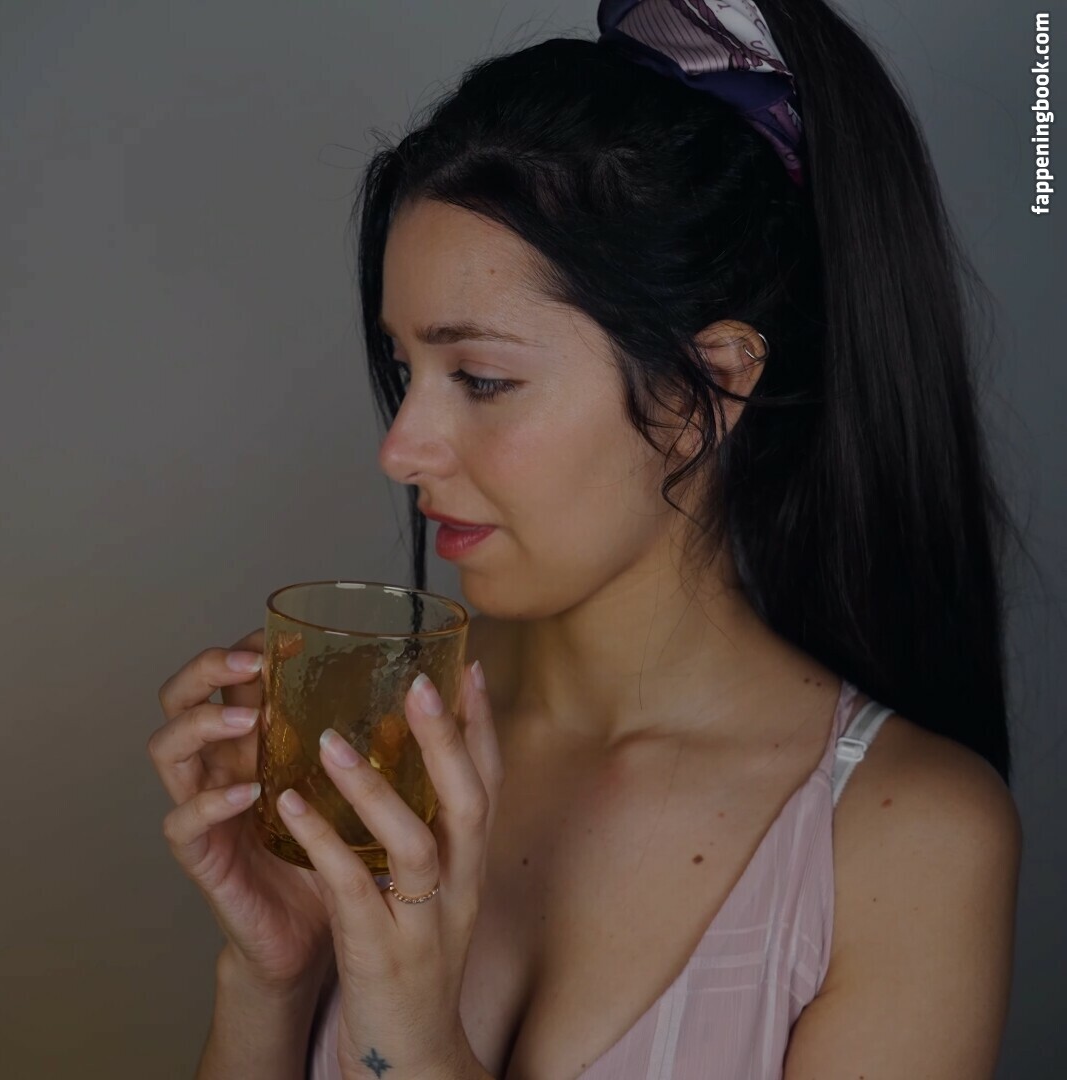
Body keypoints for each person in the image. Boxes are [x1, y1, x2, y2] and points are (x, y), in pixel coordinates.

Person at [150, 1, 1027, 1077]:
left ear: (705, 387)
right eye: (404, 370)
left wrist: (412, 1041)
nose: (401, 449)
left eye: (481, 378)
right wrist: (271, 978)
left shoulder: (906, 842)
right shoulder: (380, 750)